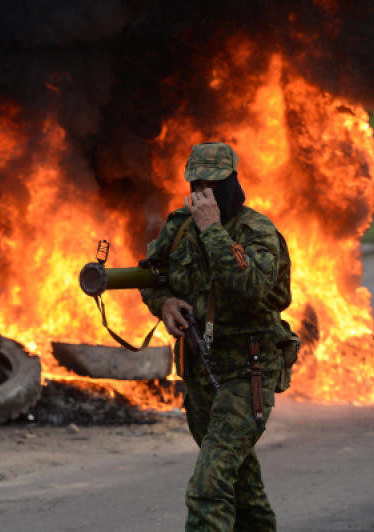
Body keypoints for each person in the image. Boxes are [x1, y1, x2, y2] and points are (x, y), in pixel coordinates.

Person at [139, 142, 291, 531]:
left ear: (233, 182)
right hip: (201, 371)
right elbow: (151, 276)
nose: (205, 192)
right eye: (197, 184)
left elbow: (252, 285)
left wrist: (212, 230)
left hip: (248, 369)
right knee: (242, 486)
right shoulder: (177, 227)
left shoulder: (257, 231)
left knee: (209, 484)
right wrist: (165, 303)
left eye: (215, 184)